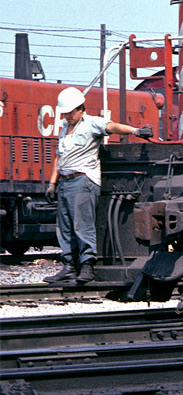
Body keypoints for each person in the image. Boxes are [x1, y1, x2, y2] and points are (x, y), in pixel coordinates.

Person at [43, 87, 153, 284]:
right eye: (65, 113)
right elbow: (59, 158)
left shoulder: (92, 123)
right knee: (65, 225)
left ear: (80, 109)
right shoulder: (64, 130)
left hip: (83, 180)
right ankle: (68, 265)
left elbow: (112, 127)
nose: (66, 116)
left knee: (82, 224)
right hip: (66, 182)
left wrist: (135, 130)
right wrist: (52, 183)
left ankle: (87, 266)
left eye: (69, 112)